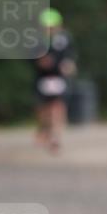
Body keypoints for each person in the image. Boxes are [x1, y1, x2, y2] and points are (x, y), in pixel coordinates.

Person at [33, 8, 77, 153]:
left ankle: (56, 137)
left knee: (58, 107)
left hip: (59, 78)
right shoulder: (38, 40)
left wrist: (69, 65)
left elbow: (70, 57)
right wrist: (40, 60)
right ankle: (44, 129)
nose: (50, 30)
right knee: (43, 108)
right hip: (43, 78)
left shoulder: (64, 39)